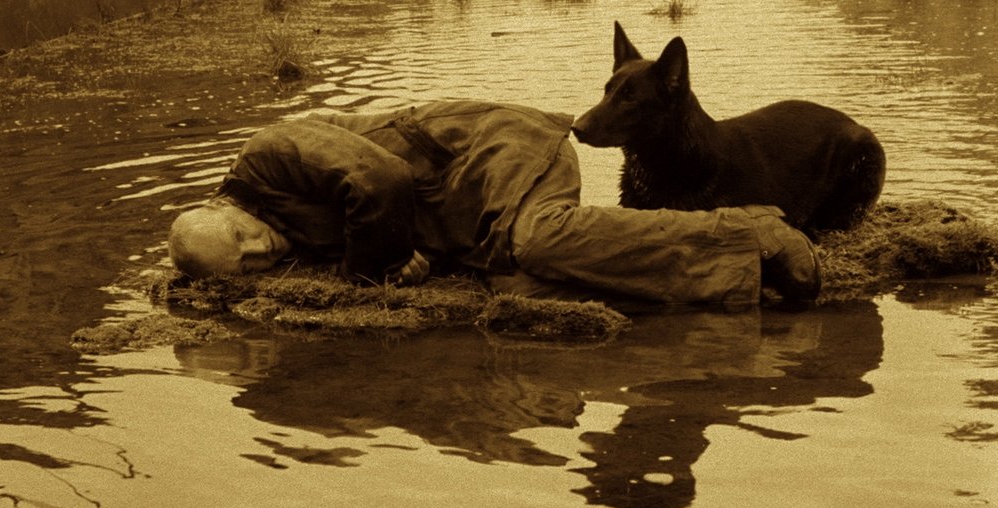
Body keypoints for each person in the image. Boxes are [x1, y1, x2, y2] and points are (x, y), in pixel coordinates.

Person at [168, 100, 820, 304]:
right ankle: (743, 275)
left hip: (497, 150)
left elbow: (380, 183)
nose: (262, 253)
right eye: (247, 267)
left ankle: (746, 231)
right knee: (524, 283)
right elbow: (382, 220)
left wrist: (376, 269)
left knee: (538, 240)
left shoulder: (268, 151)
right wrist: (405, 258)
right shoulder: (267, 223)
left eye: (243, 241)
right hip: (469, 210)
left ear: (222, 208)